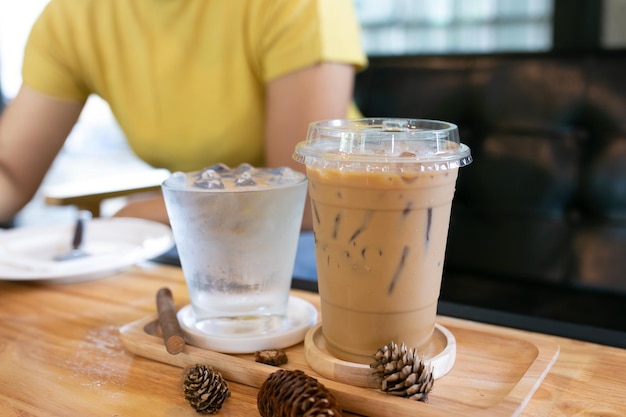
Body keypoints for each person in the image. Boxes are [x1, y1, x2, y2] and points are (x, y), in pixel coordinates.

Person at [0, 0, 367, 228]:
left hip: (335, 231)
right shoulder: (72, 16)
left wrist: (139, 214)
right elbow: (11, 175)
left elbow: (299, 199)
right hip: (198, 229)